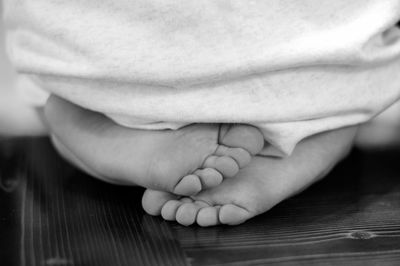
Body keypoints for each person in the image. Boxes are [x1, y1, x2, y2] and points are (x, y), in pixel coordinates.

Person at [2, 0, 400, 226]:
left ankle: (92, 126)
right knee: (349, 78)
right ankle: (310, 137)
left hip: (107, 71)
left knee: (55, 84)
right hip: (318, 68)